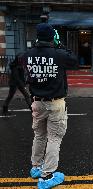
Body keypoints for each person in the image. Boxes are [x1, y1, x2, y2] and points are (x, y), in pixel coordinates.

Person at [19, 23, 78, 188]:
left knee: (39, 136)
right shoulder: (58, 54)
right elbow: (74, 60)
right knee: (54, 138)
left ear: (37, 37)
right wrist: (59, 45)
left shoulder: (27, 54)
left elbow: (20, 63)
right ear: (52, 37)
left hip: (37, 102)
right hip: (55, 103)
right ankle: (47, 176)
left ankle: (36, 168)